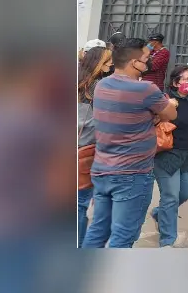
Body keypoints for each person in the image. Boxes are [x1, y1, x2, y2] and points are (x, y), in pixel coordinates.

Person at [81, 38, 178, 248]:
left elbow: (125, 113)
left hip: (102, 169)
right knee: (123, 236)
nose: (148, 62)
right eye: (145, 59)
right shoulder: (145, 90)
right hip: (132, 173)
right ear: (134, 62)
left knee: (98, 230)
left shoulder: (102, 86)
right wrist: (167, 105)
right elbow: (171, 113)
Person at [151, 66, 188, 247]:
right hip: (168, 154)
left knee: (184, 194)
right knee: (170, 197)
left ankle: (160, 214)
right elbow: (152, 121)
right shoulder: (164, 100)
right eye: (186, 78)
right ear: (176, 82)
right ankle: (168, 240)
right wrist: (167, 108)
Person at [77, 45, 112, 247]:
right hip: (86, 151)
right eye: (107, 62)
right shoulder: (99, 87)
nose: (111, 65)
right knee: (80, 203)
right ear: (98, 64)